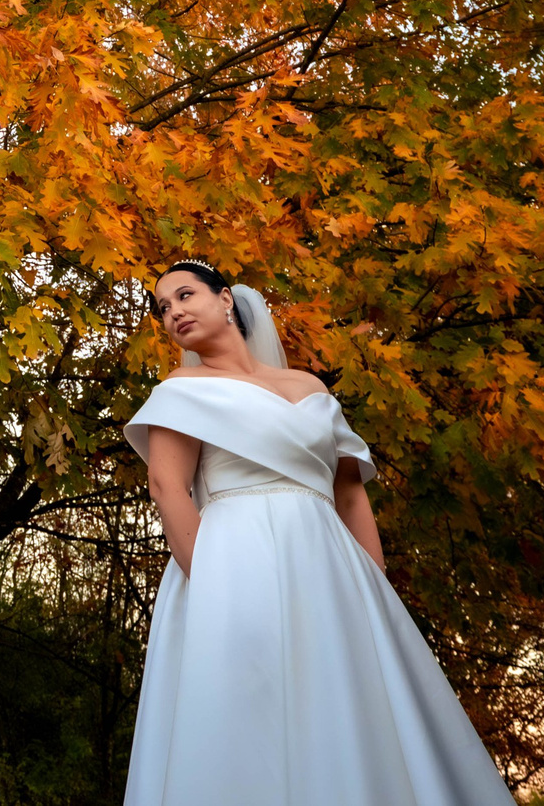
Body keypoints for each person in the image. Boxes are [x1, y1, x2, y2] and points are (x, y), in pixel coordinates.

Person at [122, 260, 515, 805]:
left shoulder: (307, 386)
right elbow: (168, 488)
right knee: (249, 714)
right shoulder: (183, 389)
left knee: (346, 710)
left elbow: (350, 491)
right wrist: (212, 585)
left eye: (185, 296)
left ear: (227, 299)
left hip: (329, 568)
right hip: (235, 565)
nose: (173, 313)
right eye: (163, 308)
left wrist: (372, 590)